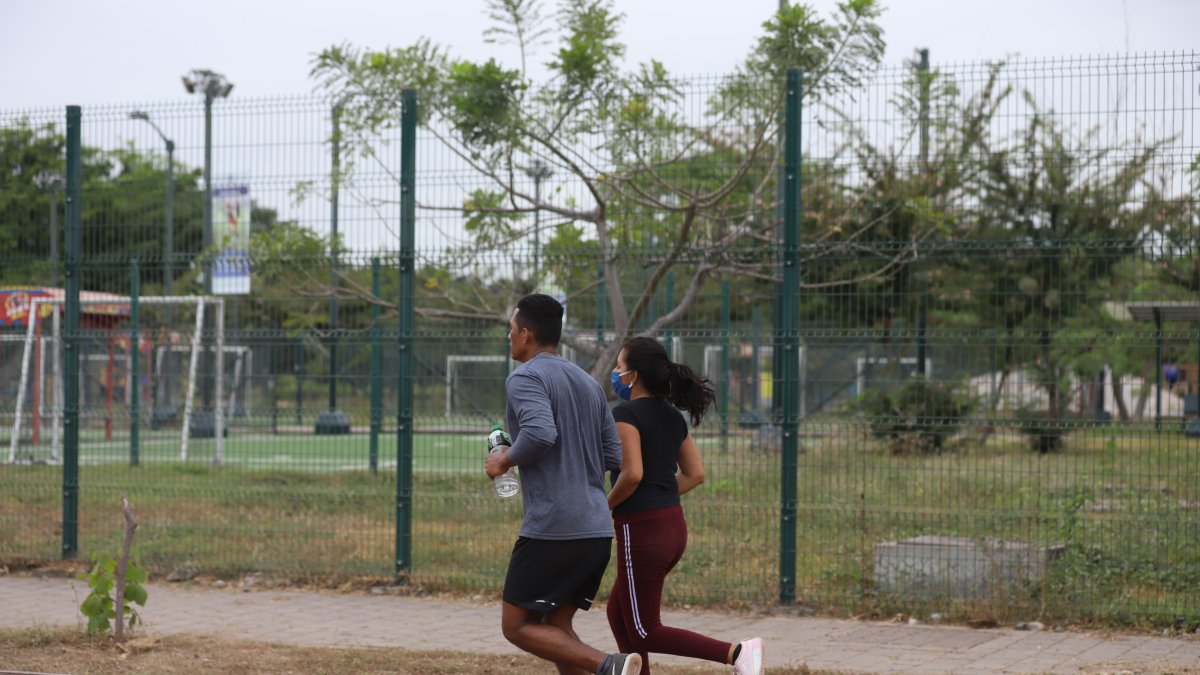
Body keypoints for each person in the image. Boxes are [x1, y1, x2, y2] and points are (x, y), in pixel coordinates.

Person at [485, 294, 642, 675]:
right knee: (555, 627)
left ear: (526, 334)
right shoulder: (588, 382)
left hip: (555, 527)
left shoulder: (525, 377)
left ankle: (610, 665)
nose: (508, 337)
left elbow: (541, 432)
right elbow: (614, 455)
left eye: (511, 330)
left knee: (517, 626)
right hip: (595, 528)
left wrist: (504, 460)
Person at [605, 337, 765, 675]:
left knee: (645, 629)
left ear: (634, 375)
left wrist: (604, 507)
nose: (615, 373)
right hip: (673, 528)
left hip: (642, 530)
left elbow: (632, 474)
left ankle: (737, 653)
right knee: (619, 615)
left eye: (619, 367)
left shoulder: (625, 414)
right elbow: (695, 474)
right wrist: (659, 495)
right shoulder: (672, 416)